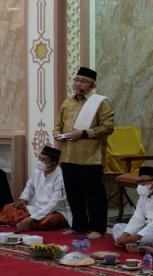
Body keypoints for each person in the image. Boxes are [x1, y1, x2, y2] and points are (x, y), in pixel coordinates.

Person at [53, 66, 114, 239]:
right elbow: (58, 123)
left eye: (82, 81)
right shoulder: (68, 102)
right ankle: (79, 225)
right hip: (67, 155)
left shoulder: (101, 102)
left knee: (93, 195)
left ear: (92, 85)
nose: (77, 83)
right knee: (73, 194)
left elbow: (108, 128)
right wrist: (57, 133)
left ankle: (98, 228)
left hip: (90, 157)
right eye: (76, 79)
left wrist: (84, 133)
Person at [0, 146, 71, 231]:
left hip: (56, 211)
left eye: (44, 160)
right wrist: (24, 199)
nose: (40, 162)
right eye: (40, 158)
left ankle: (26, 223)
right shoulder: (38, 171)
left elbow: (53, 205)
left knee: (50, 220)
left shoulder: (60, 178)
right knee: (9, 208)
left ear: (53, 164)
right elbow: (30, 186)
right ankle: (26, 223)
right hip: (37, 208)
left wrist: (32, 218)